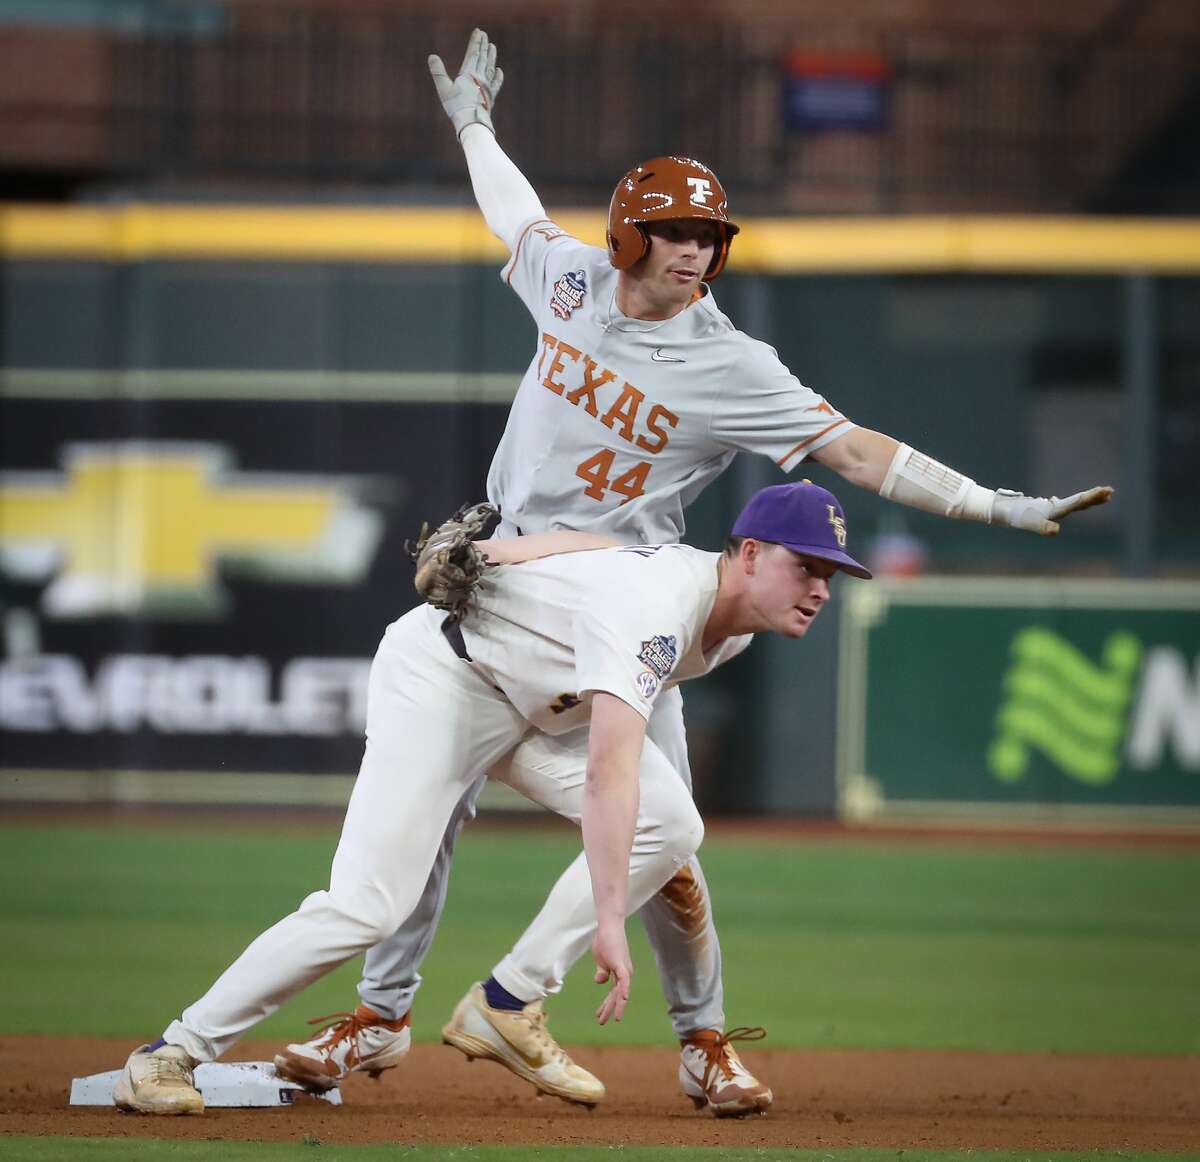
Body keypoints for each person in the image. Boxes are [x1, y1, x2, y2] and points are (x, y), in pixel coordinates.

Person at [270, 29, 1114, 1118]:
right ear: (630, 233)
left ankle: (703, 1039)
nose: (693, 251)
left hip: (627, 597)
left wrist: (994, 502)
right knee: (431, 806)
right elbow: (511, 212)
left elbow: (857, 450)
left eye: (709, 236)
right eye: (673, 232)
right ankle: (378, 1016)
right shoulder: (572, 282)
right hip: (502, 584)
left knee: (668, 840)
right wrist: (474, 126)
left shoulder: (733, 364)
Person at [115, 480, 874, 1116]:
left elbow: (594, 547)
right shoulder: (663, 609)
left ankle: (506, 1002)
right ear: (747, 554)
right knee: (370, 905)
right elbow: (613, 772)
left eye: (830, 574)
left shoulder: (726, 619)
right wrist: (610, 920)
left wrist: (499, 552)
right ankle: (171, 1053)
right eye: (805, 564)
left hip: (535, 707)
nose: (818, 587)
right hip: (445, 680)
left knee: (674, 822)